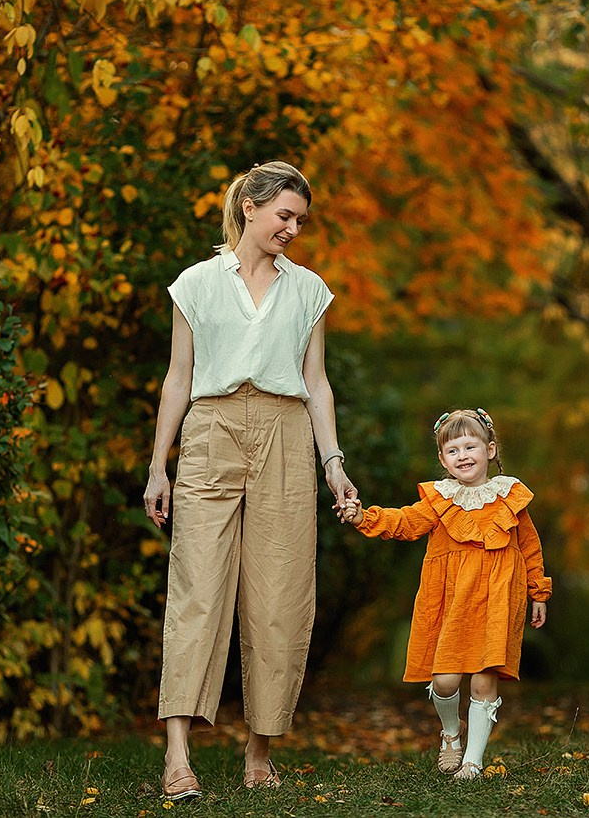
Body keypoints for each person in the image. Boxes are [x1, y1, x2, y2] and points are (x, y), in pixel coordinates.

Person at [143, 160, 356, 800]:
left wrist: (334, 463)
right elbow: (177, 379)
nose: (292, 228)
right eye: (284, 215)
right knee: (197, 589)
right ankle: (177, 755)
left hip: (287, 436)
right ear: (250, 209)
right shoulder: (196, 285)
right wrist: (159, 464)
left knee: (279, 595)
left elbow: (317, 384)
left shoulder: (309, 290)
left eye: (300, 220)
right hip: (210, 432)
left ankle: (258, 752)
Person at [337, 408, 552, 780]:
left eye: (471, 446)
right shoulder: (440, 500)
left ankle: (473, 760)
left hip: (500, 600)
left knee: (485, 678)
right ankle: (451, 733)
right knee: (445, 680)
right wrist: (363, 518)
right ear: (442, 459)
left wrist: (538, 592)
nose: (463, 455)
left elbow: (530, 548)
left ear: (490, 449)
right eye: (453, 450)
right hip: (452, 602)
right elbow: (404, 522)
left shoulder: (511, 496)